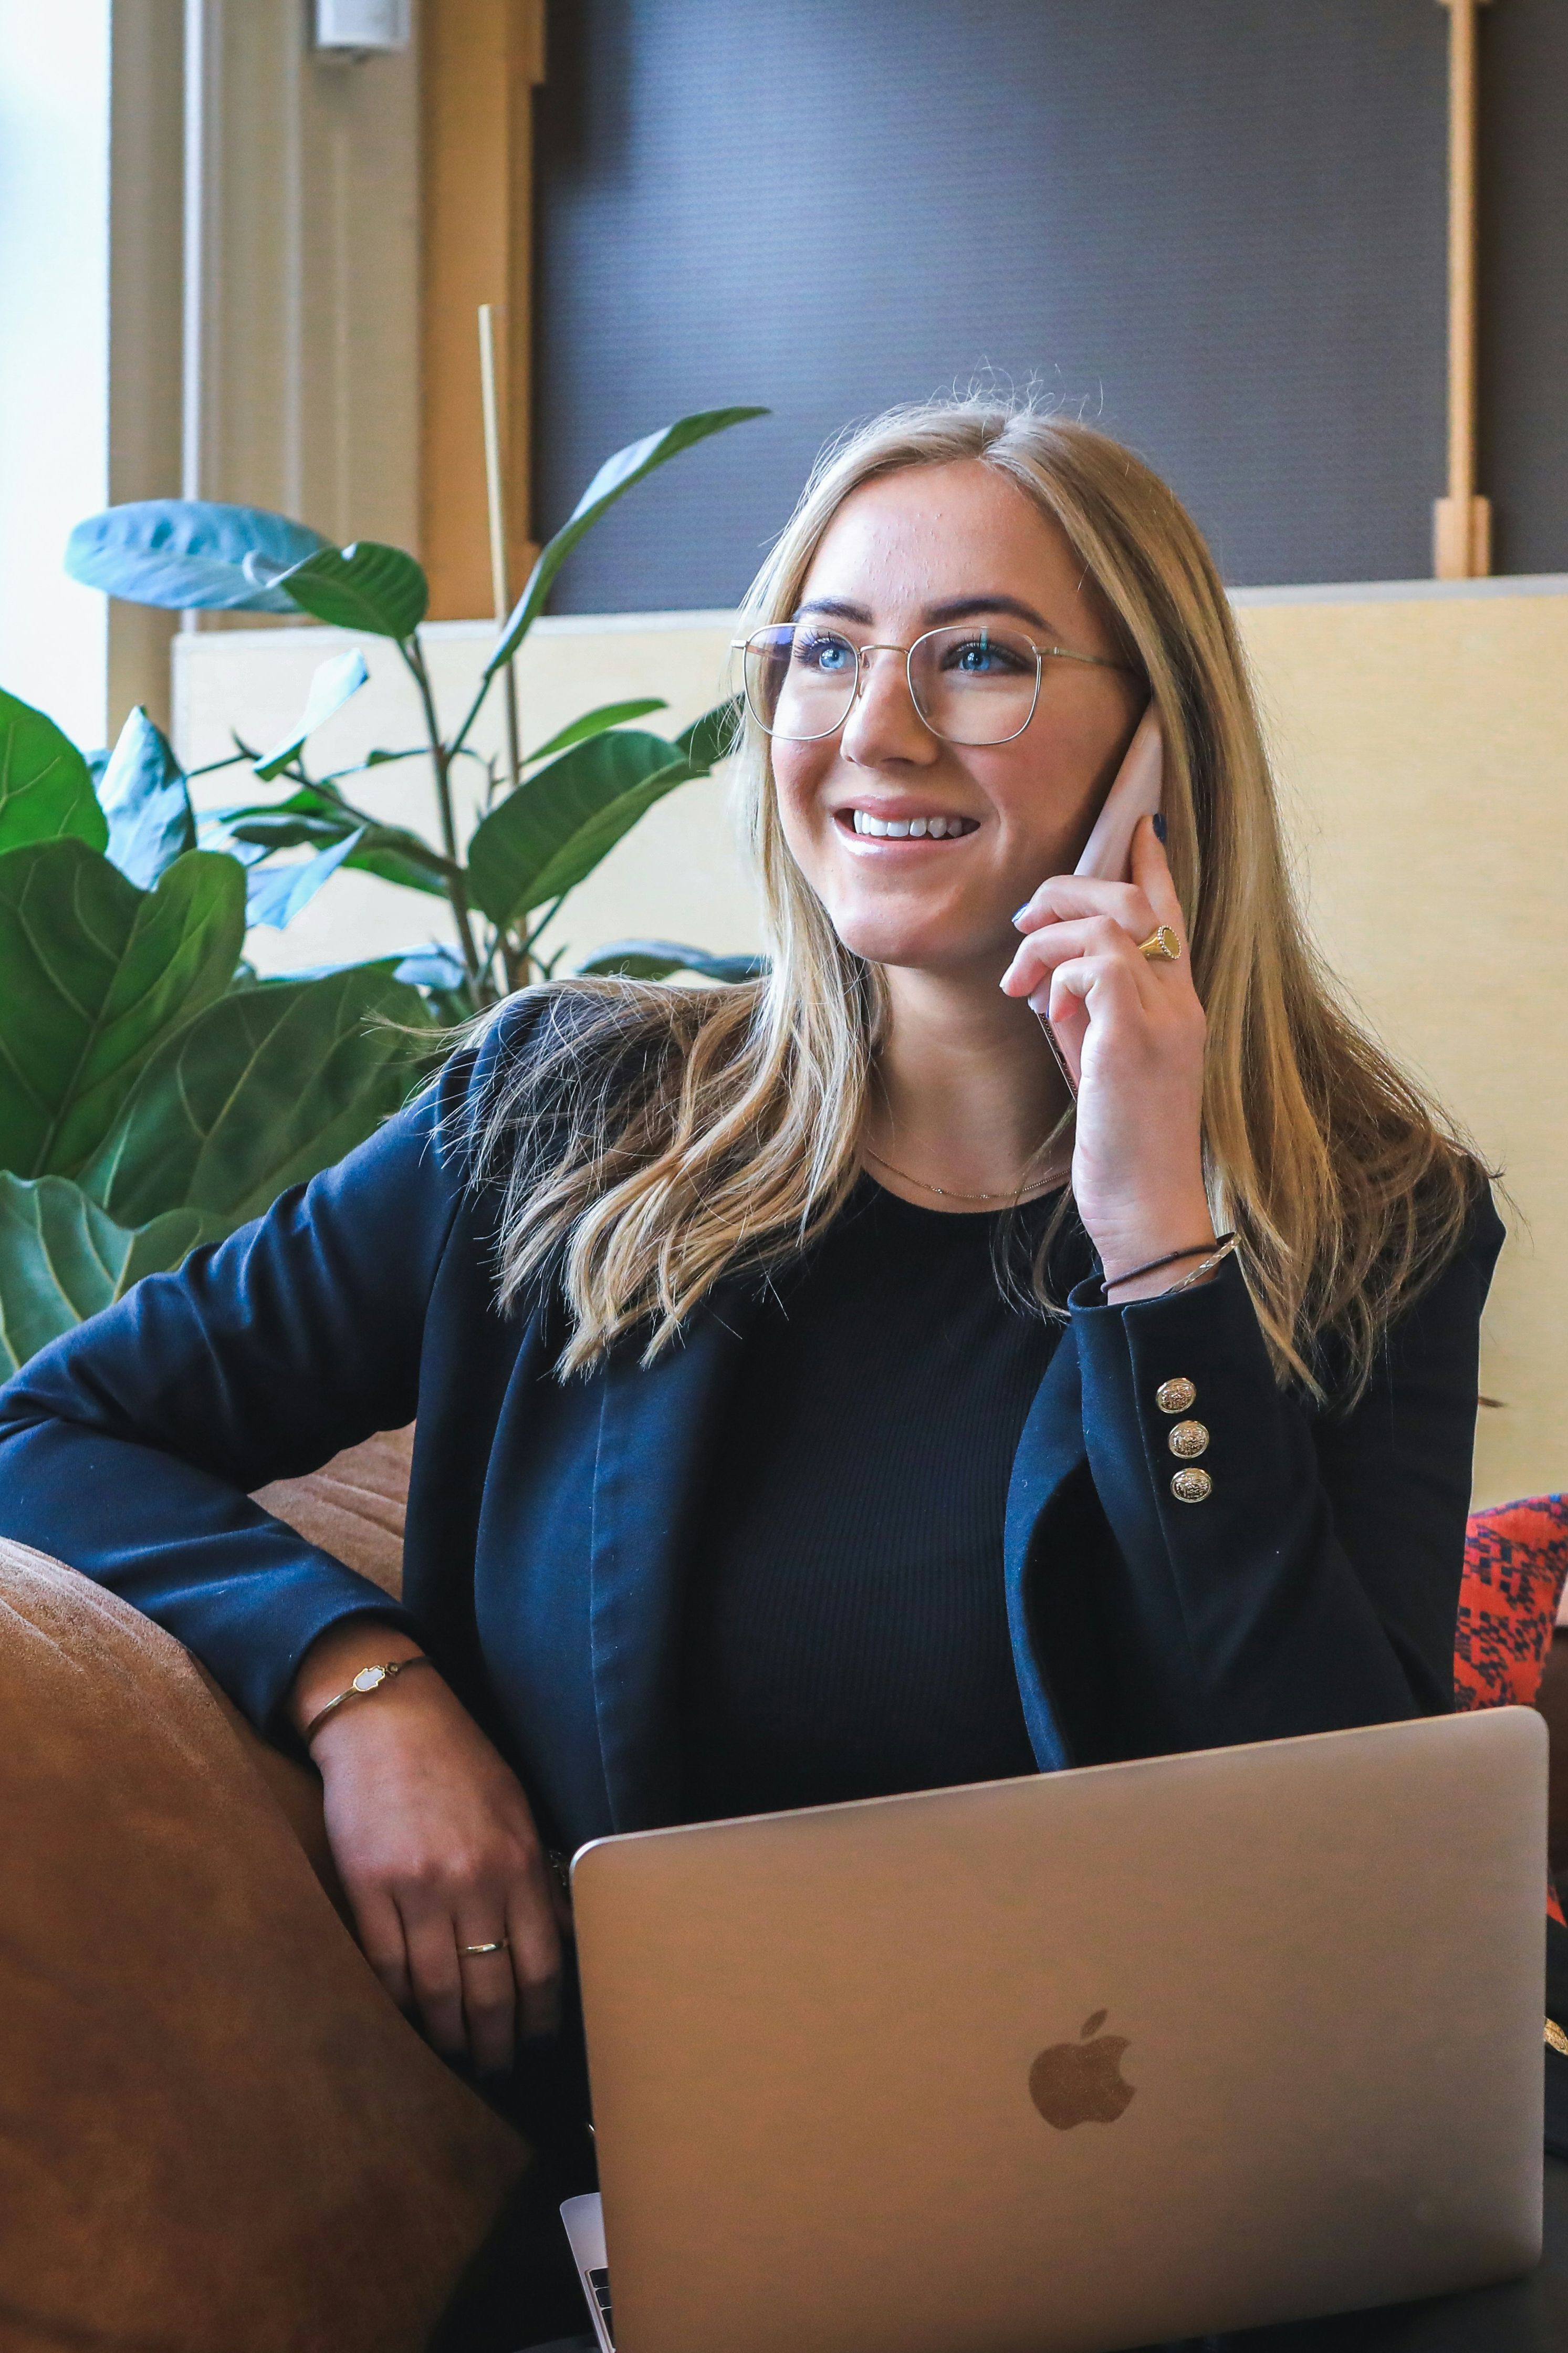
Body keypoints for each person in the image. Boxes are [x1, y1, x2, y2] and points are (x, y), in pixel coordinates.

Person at [0, 399, 1499, 2334]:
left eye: (976, 654)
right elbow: (52, 1424)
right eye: (819, 649)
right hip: (705, 2233)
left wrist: (1158, 1245)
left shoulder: (1371, 1218)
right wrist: (357, 1684)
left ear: (1158, 739)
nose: (873, 727)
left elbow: (1341, 1852)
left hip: (1237, 2226)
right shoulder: (559, 1118)